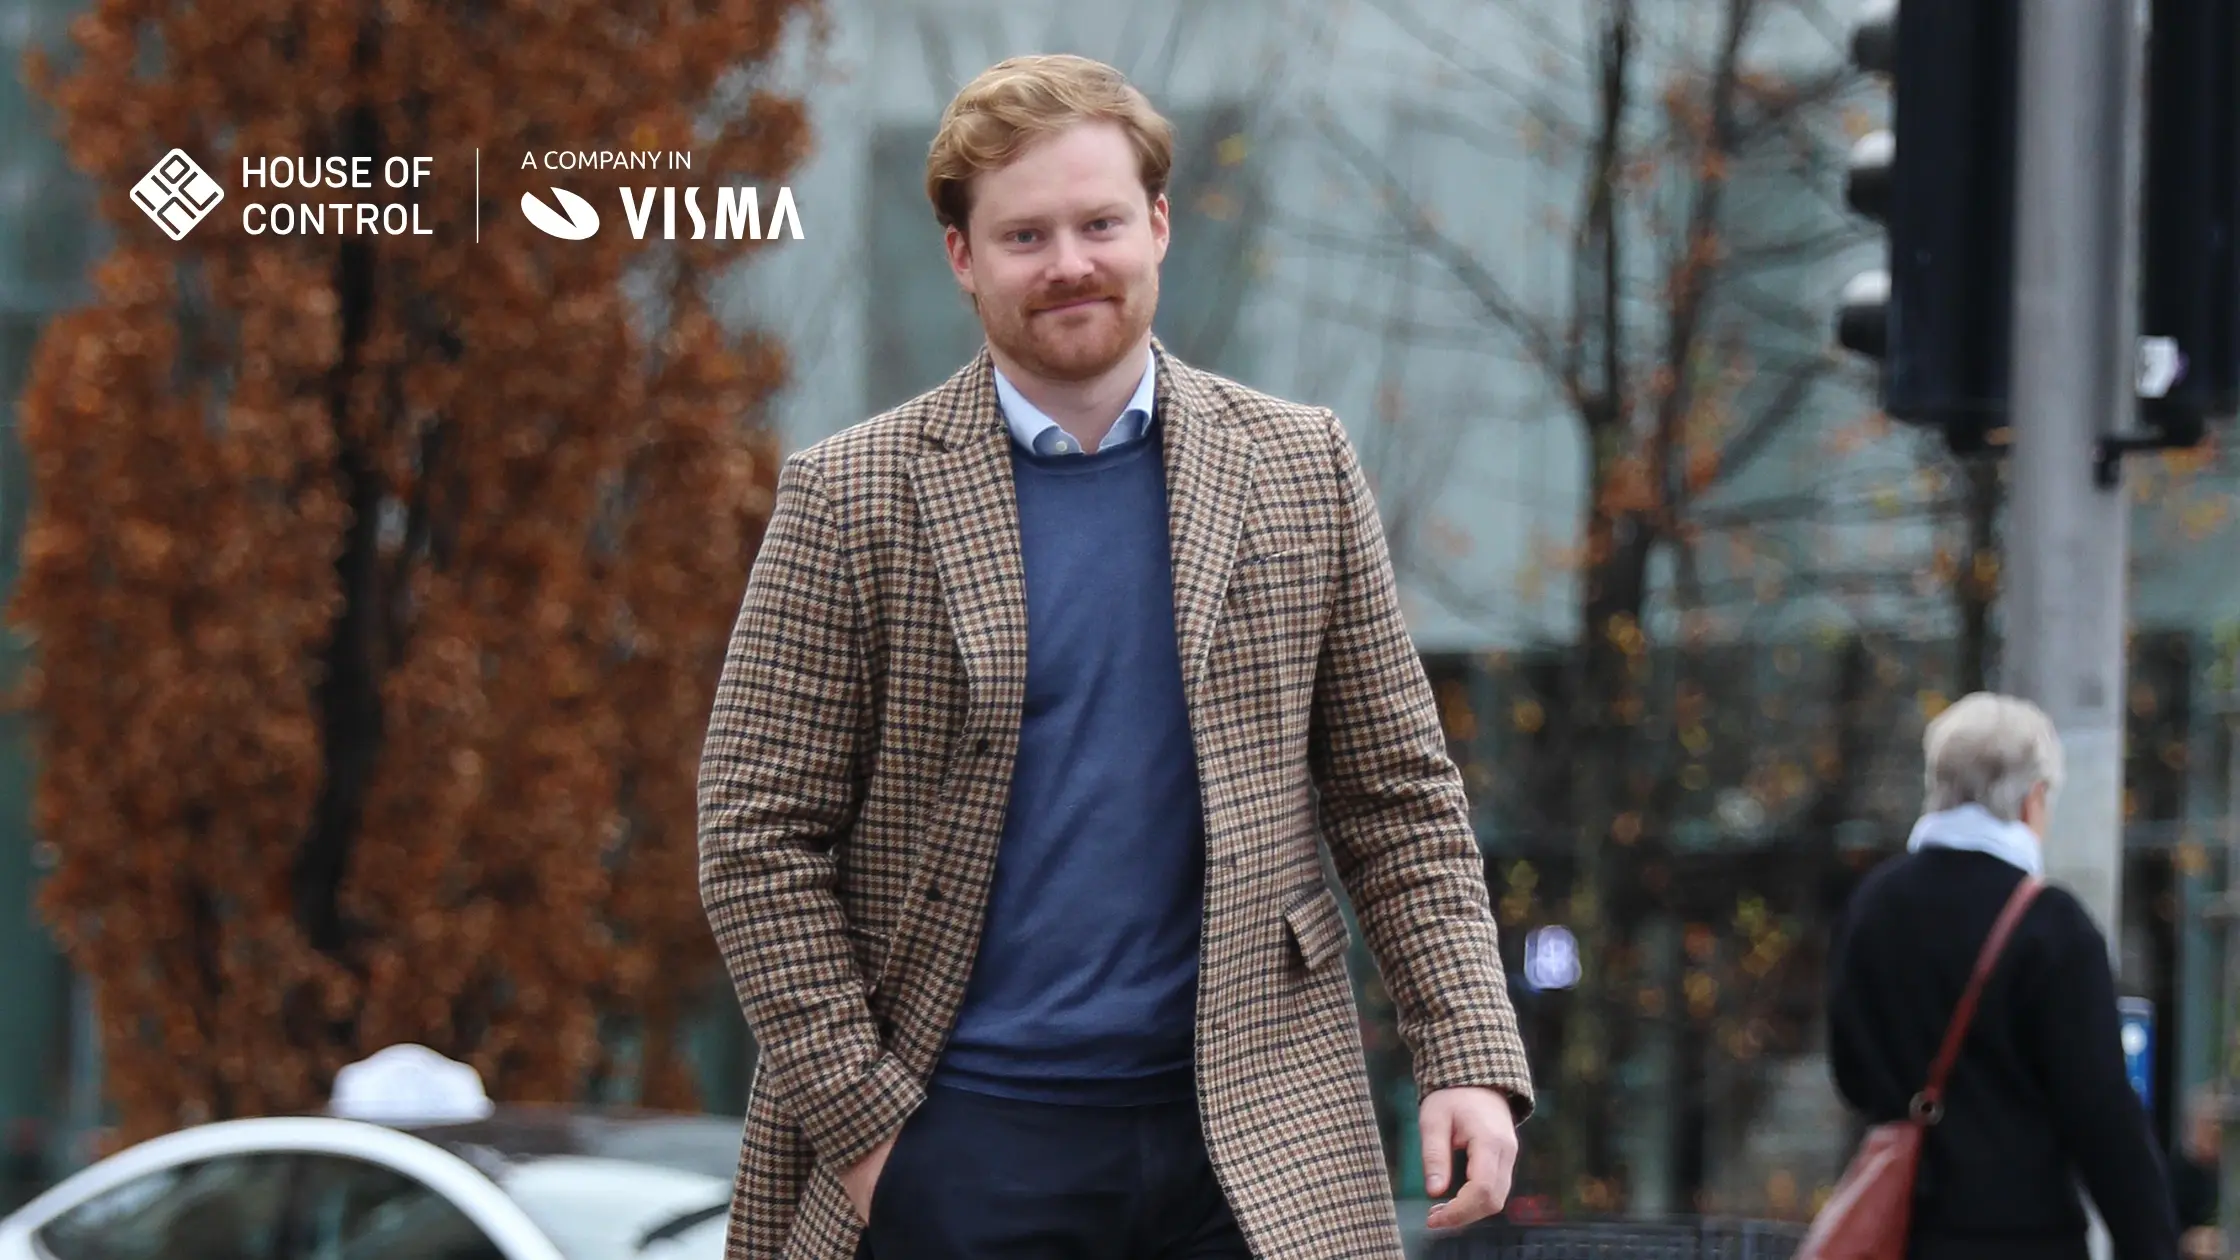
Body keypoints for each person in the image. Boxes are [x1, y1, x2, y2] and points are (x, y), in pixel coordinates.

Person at [697, 51, 1533, 1260]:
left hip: (1247, 1138)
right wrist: (874, 1134)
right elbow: (752, 839)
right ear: (961, 257)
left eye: (1097, 223)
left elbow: (1396, 799)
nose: (1069, 264)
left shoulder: (1298, 468)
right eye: (1024, 235)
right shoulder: (851, 497)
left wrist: (1462, 1051)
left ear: (1156, 225)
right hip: (959, 1135)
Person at [1826, 692, 2180, 1260]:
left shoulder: (1873, 905)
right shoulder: (2050, 926)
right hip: (2023, 1238)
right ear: (2032, 800)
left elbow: (1850, 1071)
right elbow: (2101, 1116)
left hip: (1899, 1234)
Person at [2170, 1088, 2223, 1260]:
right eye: (2208, 1124)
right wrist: (2190, 1241)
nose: (2215, 1132)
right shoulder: (2173, 1173)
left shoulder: (2226, 1175)